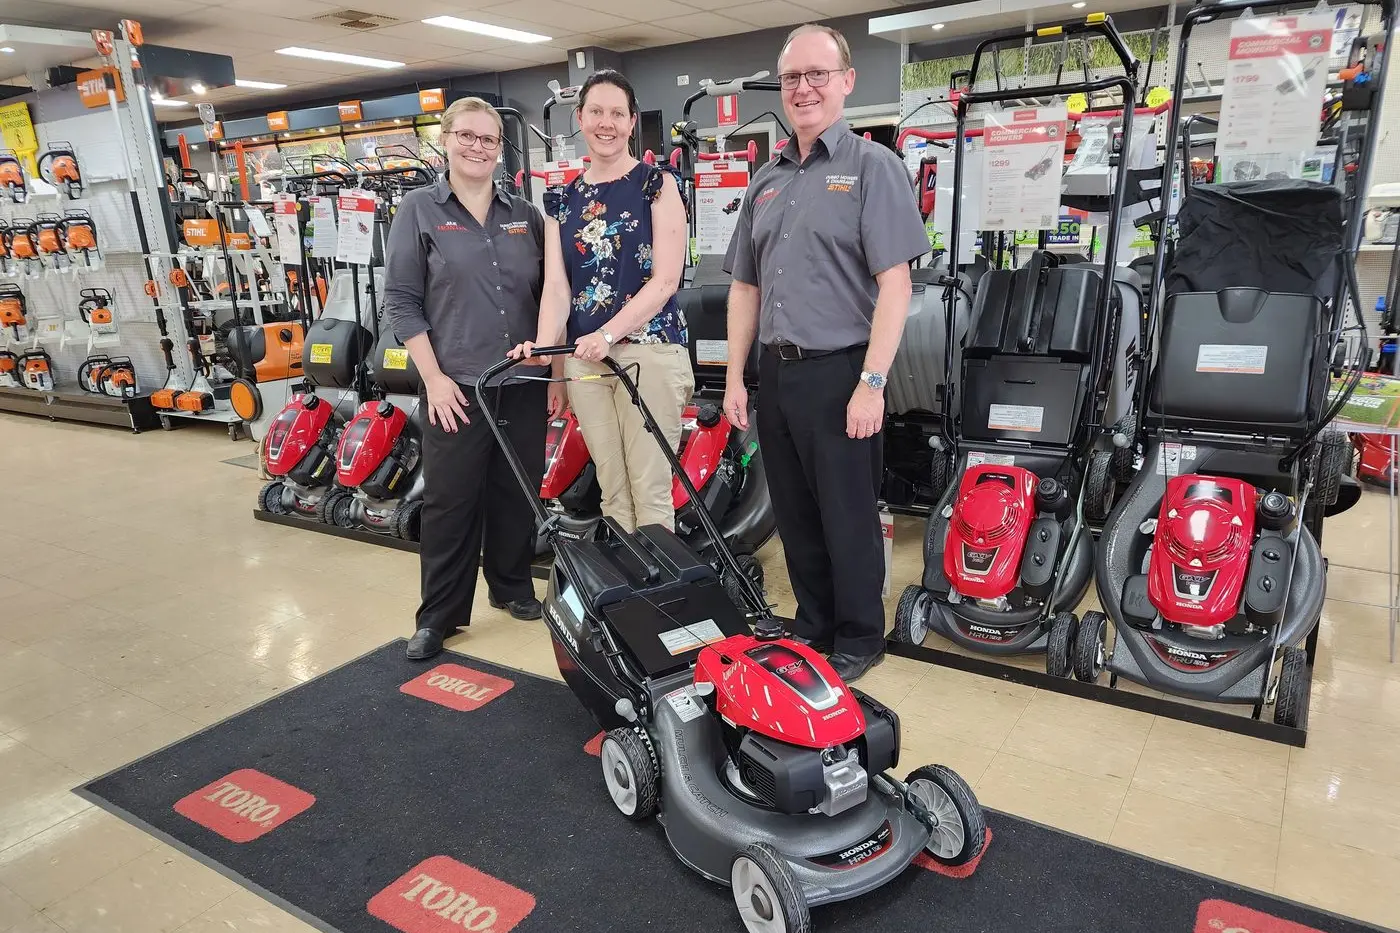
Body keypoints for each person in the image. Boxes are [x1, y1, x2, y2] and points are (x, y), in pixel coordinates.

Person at [722, 24, 929, 683]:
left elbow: (895, 285)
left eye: (817, 74)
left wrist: (872, 381)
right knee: (795, 513)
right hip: (777, 375)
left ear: (846, 81)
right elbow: (744, 286)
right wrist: (736, 376)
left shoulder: (875, 169)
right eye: (792, 78)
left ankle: (862, 633)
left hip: (843, 372)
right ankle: (813, 622)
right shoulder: (766, 179)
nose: (804, 88)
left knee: (847, 516)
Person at [383, 96, 564, 661]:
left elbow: (549, 297)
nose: (478, 147)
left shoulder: (525, 214)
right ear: (447, 139)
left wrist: (554, 375)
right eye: (467, 136)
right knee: (450, 501)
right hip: (456, 387)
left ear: (500, 148)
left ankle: (510, 586)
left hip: (523, 382)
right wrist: (433, 378)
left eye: (488, 140)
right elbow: (401, 302)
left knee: (516, 492)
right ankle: (439, 615)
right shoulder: (419, 209)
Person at [512, 69, 693, 535]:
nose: (606, 122)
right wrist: (545, 349)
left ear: (633, 122)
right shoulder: (562, 200)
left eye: (617, 113)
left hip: (649, 353)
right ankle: (629, 598)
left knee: (650, 490)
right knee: (612, 490)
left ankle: (660, 603)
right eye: (596, 112)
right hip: (585, 363)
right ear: (580, 118)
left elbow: (666, 279)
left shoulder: (658, 185)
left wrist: (608, 334)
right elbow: (557, 288)